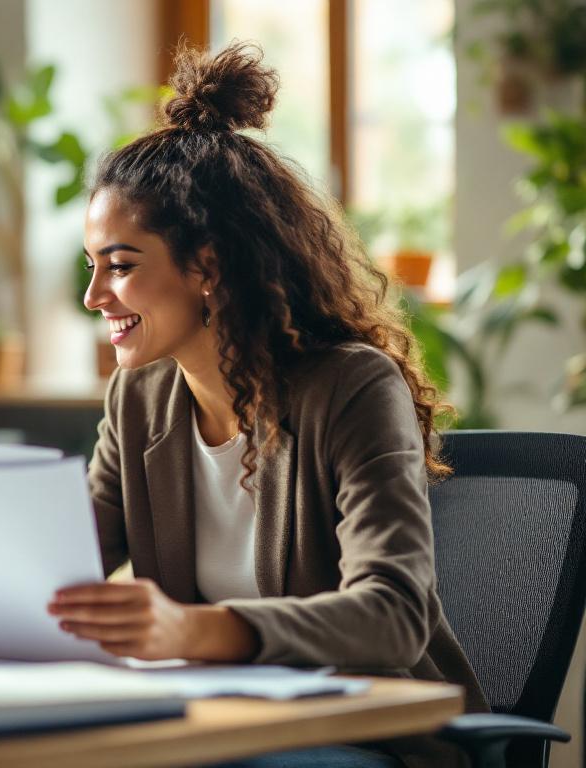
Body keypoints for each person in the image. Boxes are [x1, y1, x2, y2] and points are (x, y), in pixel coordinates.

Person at [46, 44, 486, 768]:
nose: (95, 297)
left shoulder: (351, 388)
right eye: (93, 267)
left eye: (120, 266)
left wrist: (197, 631)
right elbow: (66, 563)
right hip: (217, 724)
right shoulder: (140, 398)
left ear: (207, 267)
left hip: (371, 737)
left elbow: (393, 615)